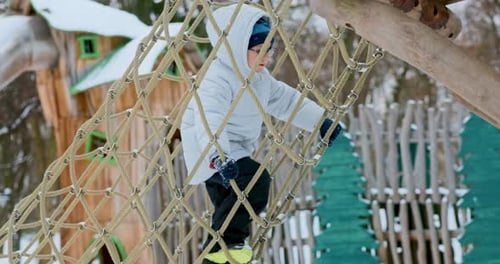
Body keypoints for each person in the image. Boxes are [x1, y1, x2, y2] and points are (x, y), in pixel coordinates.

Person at [180, 4, 342, 264]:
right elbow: (209, 118)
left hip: (235, 151)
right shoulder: (216, 78)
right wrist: (218, 155)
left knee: (232, 205)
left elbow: (287, 101)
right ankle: (225, 246)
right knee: (256, 181)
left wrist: (321, 122)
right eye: (258, 50)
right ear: (235, 46)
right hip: (211, 151)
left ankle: (217, 253)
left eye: (269, 50)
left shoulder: (260, 79)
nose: (266, 57)